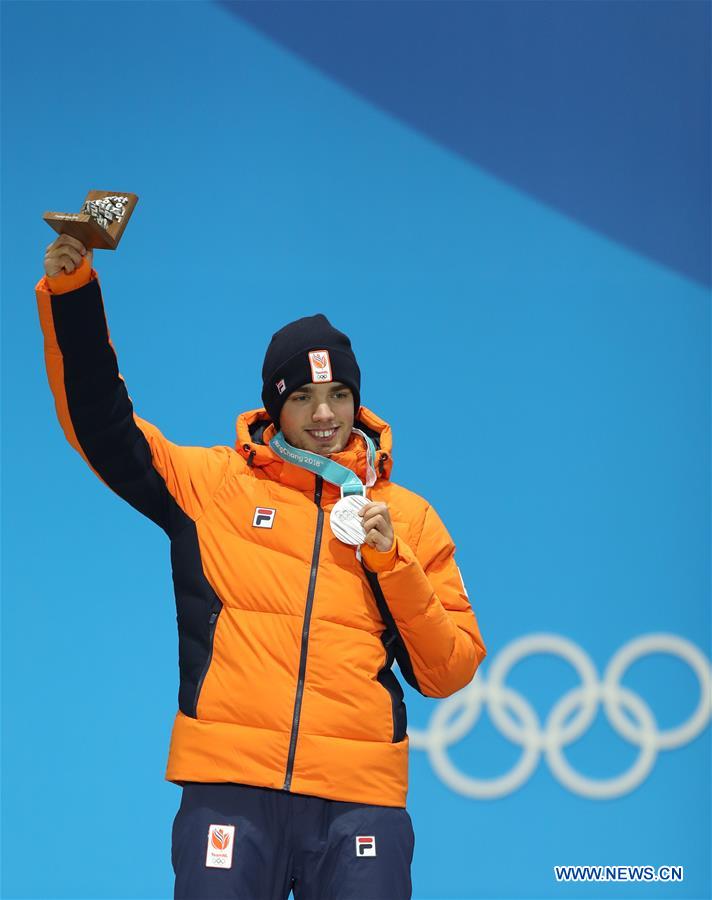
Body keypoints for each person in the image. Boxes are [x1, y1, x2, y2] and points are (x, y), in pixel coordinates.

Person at [35, 233, 487, 900]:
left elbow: (450, 670)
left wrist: (394, 562)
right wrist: (73, 298)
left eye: (337, 394)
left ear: (357, 401)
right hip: (230, 788)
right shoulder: (215, 487)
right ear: (275, 406)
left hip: (358, 798)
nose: (324, 414)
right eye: (302, 396)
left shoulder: (408, 518)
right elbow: (104, 427)